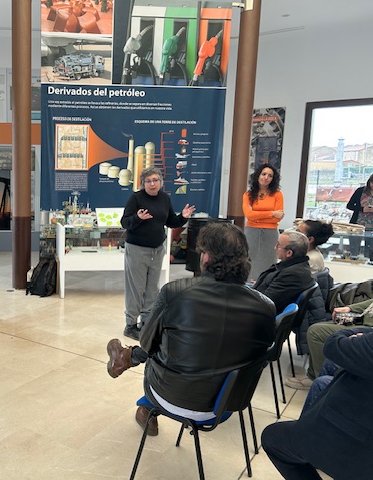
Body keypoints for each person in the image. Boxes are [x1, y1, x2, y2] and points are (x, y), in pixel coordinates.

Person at [106, 223, 275, 435]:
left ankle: (138, 387)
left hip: (171, 397)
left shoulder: (174, 293)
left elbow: (147, 343)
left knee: (160, 345)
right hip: (225, 404)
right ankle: (126, 359)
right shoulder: (266, 306)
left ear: (206, 257)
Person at [262, 329, 373, 480]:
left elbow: (333, 345)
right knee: (322, 380)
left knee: (273, 439)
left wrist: (357, 333)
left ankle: (309, 446)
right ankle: (307, 432)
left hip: (360, 441)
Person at [120, 167, 195, 340]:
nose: (152, 184)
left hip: (157, 250)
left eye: (155, 180)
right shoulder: (136, 198)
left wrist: (183, 216)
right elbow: (125, 222)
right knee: (136, 288)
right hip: (137, 249)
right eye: (148, 181)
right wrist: (138, 218)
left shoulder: (164, 198)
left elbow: (171, 221)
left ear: (160, 182)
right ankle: (130, 324)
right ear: (143, 183)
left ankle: (146, 322)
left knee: (152, 288)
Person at [285, 299, 373, 390]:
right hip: (364, 318)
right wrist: (349, 308)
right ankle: (316, 377)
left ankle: (316, 379)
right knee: (319, 326)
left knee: (315, 332)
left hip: (368, 328)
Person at [253, 230, 314, 314]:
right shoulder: (296, 267)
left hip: (259, 315)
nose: (275, 248)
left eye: (278, 245)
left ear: (289, 253)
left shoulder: (292, 275)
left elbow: (265, 302)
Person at [243, 163, 284, 281]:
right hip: (251, 231)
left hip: (271, 233)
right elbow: (249, 215)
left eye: (270, 176)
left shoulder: (277, 195)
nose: (266, 178)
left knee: (269, 261)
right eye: (263, 174)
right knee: (249, 260)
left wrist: (257, 215)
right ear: (258, 175)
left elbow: (278, 218)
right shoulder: (248, 195)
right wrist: (271, 213)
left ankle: (266, 284)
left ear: (273, 179)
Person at [346, 174, 373, 257]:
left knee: (370, 252)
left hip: (371, 227)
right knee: (354, 249)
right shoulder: (360, 191)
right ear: (369, 182)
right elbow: (349, 205)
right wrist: (362, 209)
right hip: (357, 225)